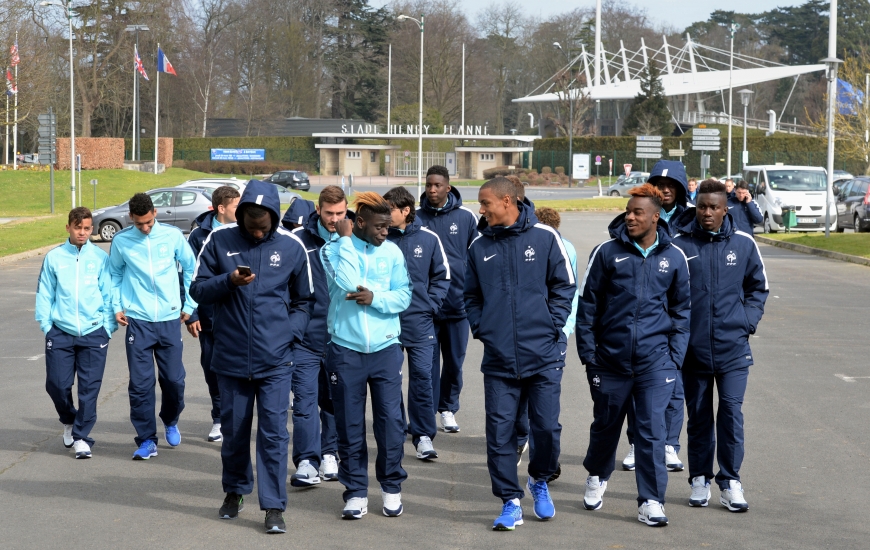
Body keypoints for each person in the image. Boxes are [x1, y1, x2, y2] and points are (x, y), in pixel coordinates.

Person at [190, 179, 314, 534]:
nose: (257, 234)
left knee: (274, 434)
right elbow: (197, 289)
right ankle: (235, 490)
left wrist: (289, 333)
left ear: (274, 219)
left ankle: (273, 506)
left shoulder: (292, 248)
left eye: (264, 227)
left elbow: (305, 301)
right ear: (241, 216)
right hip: (229, 358)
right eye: (251, 226)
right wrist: (228, 281)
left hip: (275, 360)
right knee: (234, 431)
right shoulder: (219, 240)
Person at [576, 183, 691, 527]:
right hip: (609, 362)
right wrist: (589, 354)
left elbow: (682, 310)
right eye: (628, 211)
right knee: (606, 426)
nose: (630, 217)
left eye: (637, 212)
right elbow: (587, 306)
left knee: (652, 432)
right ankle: (597, 474)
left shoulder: (674, 257)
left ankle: (651, 501)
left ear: (656, 217)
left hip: (656, 364)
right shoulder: (607, 253)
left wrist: (674, 358)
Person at [465, 178, 576, 530]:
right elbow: (470, 296)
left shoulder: (545, 237)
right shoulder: (479, 246)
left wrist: (551, 326)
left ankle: (539, 480)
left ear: (508, 201)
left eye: (485, 203)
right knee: (499, 434)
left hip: (543, 353)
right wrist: (484, 329)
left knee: (546, 428)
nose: (480, 210)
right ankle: (509, 501)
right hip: (499, 358)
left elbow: (565, 286)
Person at [672, 179, 769, 513]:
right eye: (702, 207)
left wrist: (746, 321)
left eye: (714, 207)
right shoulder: (679, 244)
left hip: (733, 349)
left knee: (730, 413)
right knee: (698, 417)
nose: (708, 212)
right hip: (693, 351)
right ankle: (700, 478)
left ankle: (730, 481)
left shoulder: (743, 244)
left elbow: (759, 287)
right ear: (695, 208)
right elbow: (667, 294)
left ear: (725, 208)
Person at [320, 192, 412, 519]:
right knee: (349, 425)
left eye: (389, 225)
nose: (386, 231)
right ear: (360, 222)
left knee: (390, 423)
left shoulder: (393, 253)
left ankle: (390, 487)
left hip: (386, 349)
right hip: (345, 350)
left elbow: (404, 296)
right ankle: (356, 491)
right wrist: (345, 241)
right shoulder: (331, 250)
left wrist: (376, 298)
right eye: (380, 226)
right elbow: (347, 283)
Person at [109, 193, 197, 460]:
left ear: (154, 213)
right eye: (139, 224)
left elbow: (192, 268)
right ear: (131, 219)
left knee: (174, 380)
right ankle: (147, 439)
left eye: (148, 222)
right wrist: (117, 306)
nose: (145, 228)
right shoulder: (122, 241)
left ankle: (170, 419)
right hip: (138, 321)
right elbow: (114, 274)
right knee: (140, 384)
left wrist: (189, 305)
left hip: (170, 319)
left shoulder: (171, 236)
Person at [620, 160, 690, 473]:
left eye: (671, 185)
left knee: (675, 387)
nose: (665, 190)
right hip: (643, 323)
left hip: (680, 317)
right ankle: (638, 443)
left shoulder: (690, 221)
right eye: (660, 185)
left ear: (680, 188)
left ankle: (670, 445)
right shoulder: (640, 218)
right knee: (640, 390)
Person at [35, 207, 116, 459]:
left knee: (89, 389)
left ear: (92, 229)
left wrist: (108, 328)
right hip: (60, 331)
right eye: (78, 228)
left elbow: (109, 293)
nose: (82, 233)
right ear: (68, 227)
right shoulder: (54, 258)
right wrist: (47, 327)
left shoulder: (100, 258)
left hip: (94, 333)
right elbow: (45, 294)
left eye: (87, 228)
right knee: (57, 385)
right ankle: (69, 419)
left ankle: (82, 437)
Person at [282, 188, 346, 486]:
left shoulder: (355, 240)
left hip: (342, 337)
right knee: (305, 400)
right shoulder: (297, 241)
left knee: (334, 400)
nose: (334, 219)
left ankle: (330, 452)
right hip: (306, 339)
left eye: (340, 213)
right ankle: (307, 461)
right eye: (329, 213)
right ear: (318, 210)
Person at [384, 186, 450, 460]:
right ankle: (395, 432)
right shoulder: (380, 238)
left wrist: (430, 307)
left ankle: (423, 435)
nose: (385, 216)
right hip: (386, 322)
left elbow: (442, 277)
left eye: (389, 210)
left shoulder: (429, 238)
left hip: (420, 322)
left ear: (406, 210)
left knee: (422, 377)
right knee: (390, 379)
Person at [416, 165, 478, 433]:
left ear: (448, 187)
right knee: (425, 367)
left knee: (454, 364)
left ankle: (448, 408)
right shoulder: (416, 218)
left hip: (457, 306)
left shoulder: (466, 217)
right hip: (425, 308)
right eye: (429, 184)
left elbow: (476, 258)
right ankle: (425, 414)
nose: (432, 189)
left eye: (437, 185)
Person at [185, 185, 240, 442]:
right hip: (208, 316)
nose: (241, 211)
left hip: (239, 316)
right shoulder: (198, 236)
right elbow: (189, 277)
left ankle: (236, 419)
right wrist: (192, 313)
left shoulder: (244, 231)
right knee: (212, 368)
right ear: (221, 209)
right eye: (236, 207)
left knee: (239, 370)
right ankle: (219, 419)